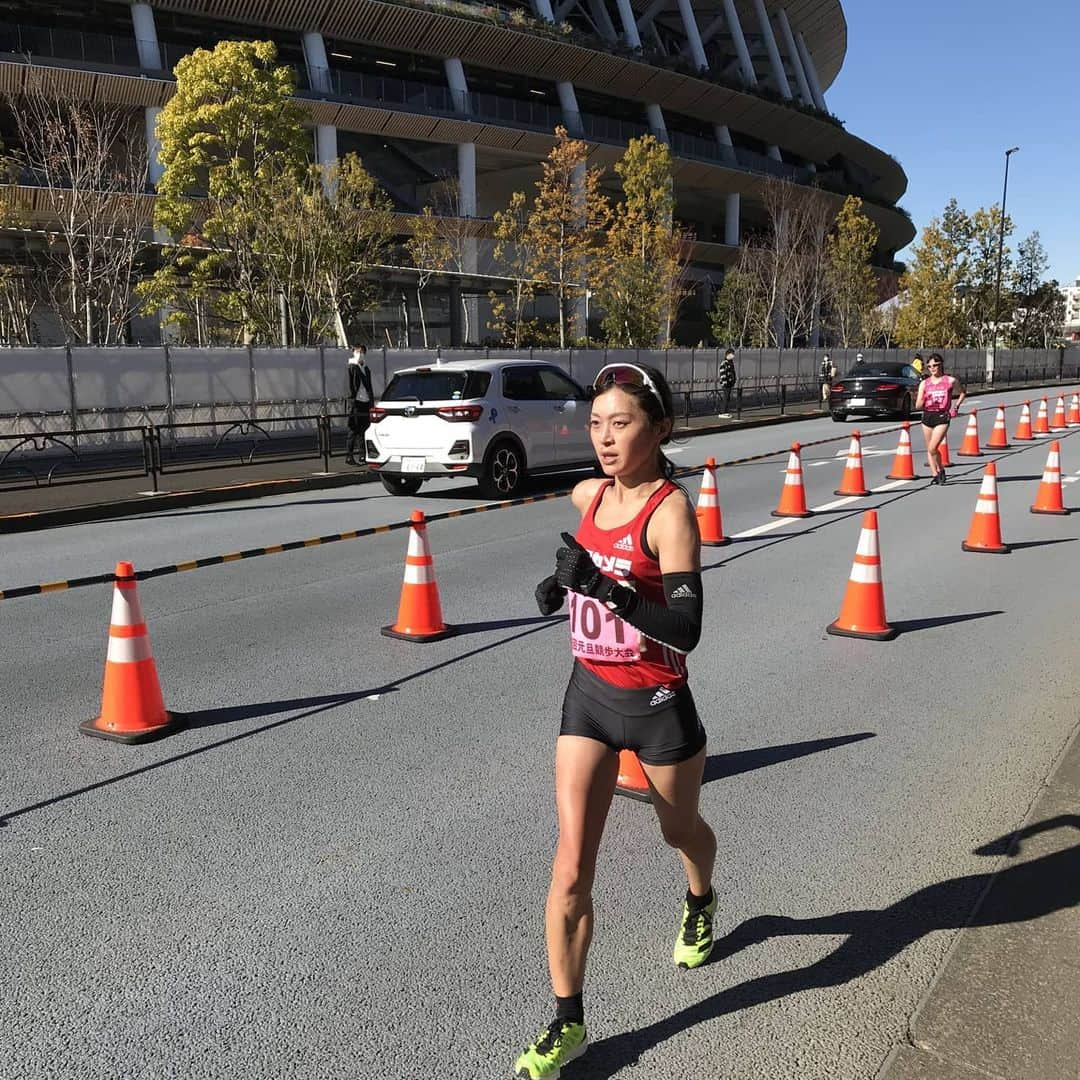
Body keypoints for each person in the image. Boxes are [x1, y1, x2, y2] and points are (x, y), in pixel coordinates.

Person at [517, 363, 716, 1080]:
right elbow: (585, 555)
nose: (603, 437)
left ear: (659, 429)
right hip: (591, 698)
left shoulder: (670, 513)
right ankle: (567, 1020)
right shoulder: (589, 491)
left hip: (659, 705)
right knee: (570, 868)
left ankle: (701, 896)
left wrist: (605, 588)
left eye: (621, 423)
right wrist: (562, 582)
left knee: (678, 831)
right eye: (596, 422)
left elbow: (686, 628)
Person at [914, 353, 966, 485]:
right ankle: (935, 474)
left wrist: (956, 406)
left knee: (933, 447)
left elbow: (962, 392)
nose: (932, 368)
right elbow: (918, 405)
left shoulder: (949, 380)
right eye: (929, 366)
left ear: (941, 365)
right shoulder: (924, 384)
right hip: (927, 416)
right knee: (929, 448)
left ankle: (941, 469)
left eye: (935, 365)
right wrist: (925, 399)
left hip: (942, 416)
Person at [345, 344, 374, 466]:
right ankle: (349, 455)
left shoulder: (366, 369)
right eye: (357, 352)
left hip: (365, 402)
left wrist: (371, 401)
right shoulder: (351, 367)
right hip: (355, 402)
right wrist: (351, 399)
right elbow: (349, 386)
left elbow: (369, 386)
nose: (360, 354)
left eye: (362, 352)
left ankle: (363, 455)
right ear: (353, 353)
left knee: (364, 429)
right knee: (353, 430)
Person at [718, 348, 737, 418]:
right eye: (731, 354)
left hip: (730, 383)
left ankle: (725, 411)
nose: (733, 356)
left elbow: (733, 372)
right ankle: (722, 412)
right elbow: (722, 373)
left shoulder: (730, 363)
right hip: (726, 384)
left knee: (727, 397)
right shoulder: (724, 363)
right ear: (727, 354)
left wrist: (734, 380)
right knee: (725, 397)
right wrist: (725, 382)